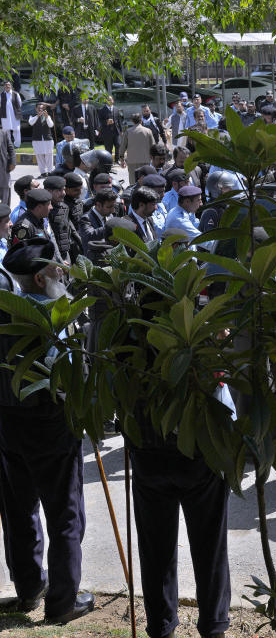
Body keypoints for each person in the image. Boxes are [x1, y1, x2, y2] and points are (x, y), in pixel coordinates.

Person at [0, 237, 95, 622]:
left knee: (18, 510)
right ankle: (62, 603)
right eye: (56, 267)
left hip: (8, 425)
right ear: (40, 279)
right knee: (65, 515)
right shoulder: (58, 315)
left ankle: (29, 589)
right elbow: (74, 377)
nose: (62, 271)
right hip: (50, 426)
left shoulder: (5, 313)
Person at [119, 113, 156, 185]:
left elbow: (122, 147)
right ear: (141, 120)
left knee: (133, 183)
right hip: (146, 160)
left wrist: (122, 159)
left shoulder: (128, 132)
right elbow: (153, 147)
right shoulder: (148, 131)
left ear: (132, 121)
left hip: (132, 162)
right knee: (146, 182)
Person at [78, 188, 117, 256]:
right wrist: (110, 227)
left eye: (114, 206)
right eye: (109, 207)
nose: (113, 210)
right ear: (98, 205)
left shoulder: (110, 215)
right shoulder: (86, 218)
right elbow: (89, 236)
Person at [30, 103, 56, 175]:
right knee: (39, 156)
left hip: (47, 139)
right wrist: (37, 116)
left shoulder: (48, 117)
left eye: (42, 109)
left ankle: (50, 172)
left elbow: (51, 125)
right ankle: (43, 172)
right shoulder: (33, 116)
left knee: (49, 156)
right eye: (39, 108)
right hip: (37, 140)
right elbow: (31, 123)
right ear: (36, 109)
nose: (40, 110)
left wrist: (47, 117)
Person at [98, 96, 123, 162]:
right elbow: (99, 121)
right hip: (107, 132)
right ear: (106, 101)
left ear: (113, 101)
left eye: (111, 100)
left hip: (116, 131)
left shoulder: (116, 109)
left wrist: (121, 130)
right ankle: (109, 161)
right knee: (108, 147)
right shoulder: (101, 110)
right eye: (108, 100)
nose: (110, 101)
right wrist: (106, 122)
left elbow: (119, 120)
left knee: (118, 145)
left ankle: (117, 160)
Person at [1, 82, 22, 147]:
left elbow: (20, 103)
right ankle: (8, 145)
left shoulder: (16, 94)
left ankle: (17, 145)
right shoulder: (1, 94)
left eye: (9, 85)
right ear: (4, 86)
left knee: (17, 130)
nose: (8, 86)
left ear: (11, 86)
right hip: (5, 115)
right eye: (6, 85)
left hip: (15, 115)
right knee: (6, 130)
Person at [0, 119, 12, 207]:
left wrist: (13, 163)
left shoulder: (3, 133)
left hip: (3, 168)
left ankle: (4, 215)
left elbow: (11, 149)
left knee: (5, 191)